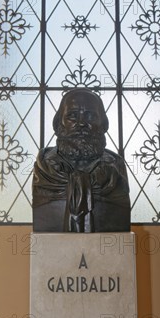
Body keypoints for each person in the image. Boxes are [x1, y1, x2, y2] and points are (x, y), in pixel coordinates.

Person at [32, 88, 130, 232]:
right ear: (59, 124)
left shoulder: (115, 168)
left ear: (103, 124)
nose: (81, 123)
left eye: (90, 116)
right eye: (72, 116)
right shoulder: (45, 168)